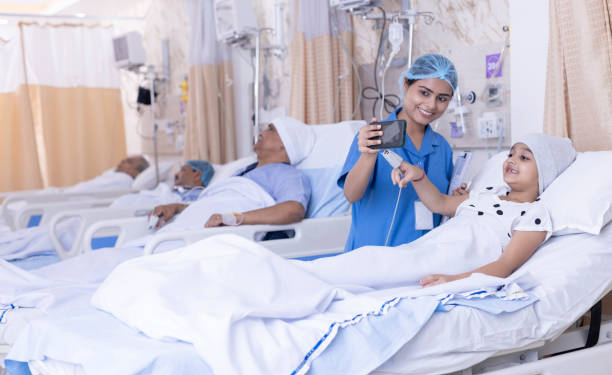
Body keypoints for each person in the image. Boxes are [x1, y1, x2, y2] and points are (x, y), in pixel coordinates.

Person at [389, 133, 576, 286]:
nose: (511, 160)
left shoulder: (533, 215)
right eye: (510, 155)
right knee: (376, 261)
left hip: (453, 261)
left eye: (524, 157)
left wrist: (454, 280)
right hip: (427, 248)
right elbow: (440, 203)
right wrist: (418, 177)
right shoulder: (486, 194)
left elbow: (504, 266)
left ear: (545, 171)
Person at [338, 54, 457, 250]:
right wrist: (368, 156)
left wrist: (457, 196)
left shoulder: (441, 147)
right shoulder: (373, 135)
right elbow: (351, 195)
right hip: (370, 259)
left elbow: (443, 203)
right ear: (405, 85)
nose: (431, 105)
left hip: (422, 261)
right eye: (424, 93)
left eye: (442, 98)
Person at [1, 160, 213, 264]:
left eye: (184, 169)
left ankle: (10, 248)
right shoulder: (167, 189)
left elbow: (186, 210)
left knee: (59, 233)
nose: (177, 173)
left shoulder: (195, 196)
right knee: (55, 231)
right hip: (116, 212)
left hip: (124, 220)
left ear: (198, 175)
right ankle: (10, 245)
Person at [150, 117, 314, 229]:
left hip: (207, 237)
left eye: (271, 129)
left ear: (286, 143)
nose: (261, 132)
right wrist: (177, 207)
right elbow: (217, 204)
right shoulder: (244, 172)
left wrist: (236, 218)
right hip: (186, 228)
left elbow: (293, 209)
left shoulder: (288, 175)